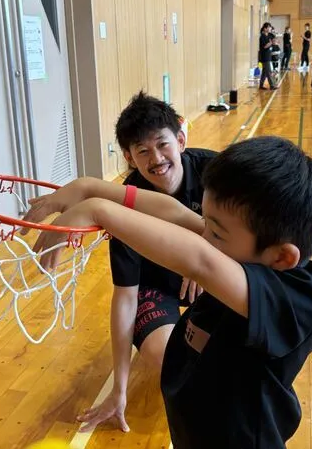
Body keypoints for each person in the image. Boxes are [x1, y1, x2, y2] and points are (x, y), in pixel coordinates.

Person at [22, 136, 312, 448]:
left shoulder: (299, 300)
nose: (203, 233)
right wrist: (89, 187)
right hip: (193, 427)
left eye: (214, 231)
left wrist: (98, 211)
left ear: (281, 257)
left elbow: (201, 261)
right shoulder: (237, 248)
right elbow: (175, 213)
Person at [75, 92, 216, 433]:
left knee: (228, 357)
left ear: (181, 140)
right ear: (128, 157)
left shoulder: (216, 173)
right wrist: (118, 390)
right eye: (142, 151)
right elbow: (125, 296)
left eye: (162, 144)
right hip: (159, 286)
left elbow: (248, 237)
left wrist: (207, 259)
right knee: (174, 359)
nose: (156, 158)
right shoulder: (123, 207)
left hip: (213, 276)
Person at [258, 22, 277, 89]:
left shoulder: (269, 35)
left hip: (269, 55)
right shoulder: (262, 37)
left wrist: (274, 41)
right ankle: (272, 86)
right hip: (264, 56)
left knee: (264, 72)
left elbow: (274, 38)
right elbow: (265, 46)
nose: (270, 28)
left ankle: (261, 85)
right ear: (265, 28)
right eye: (268, 27)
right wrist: (270, 43)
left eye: (270, 27)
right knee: (269, 71)